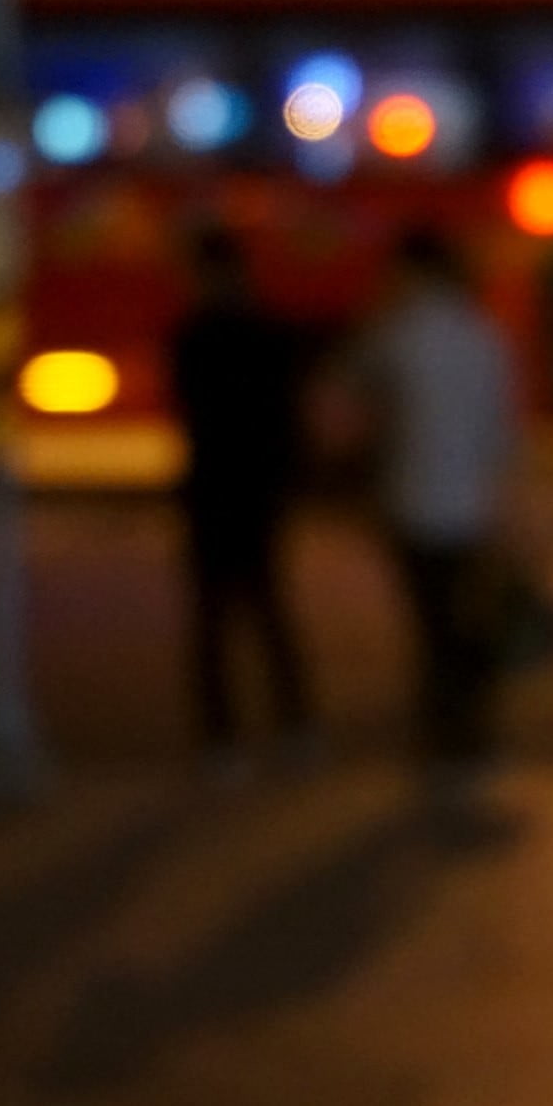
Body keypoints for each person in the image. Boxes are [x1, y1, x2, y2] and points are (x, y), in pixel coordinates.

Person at [353, 230, 518, 790]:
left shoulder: (396, 333)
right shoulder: (482, 336)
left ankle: (444, 737)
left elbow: (351, 400)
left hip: (411, 501)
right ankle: (473, 737)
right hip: (470, 506)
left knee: (432, 628)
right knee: (467, 625)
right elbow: (501, 435)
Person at [167, 225, 314, 774]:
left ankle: (222, 741)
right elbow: (286, 419)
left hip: (214, 489)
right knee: (268, 611)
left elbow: (187, 410)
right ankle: (295, 727)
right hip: (256, 490)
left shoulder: (195, 334)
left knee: (214, 622)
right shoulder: (267, 333)